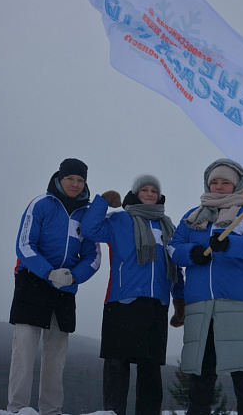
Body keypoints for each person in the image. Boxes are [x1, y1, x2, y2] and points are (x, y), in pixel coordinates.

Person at [167, 158, 243, 415]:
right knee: (201, 373)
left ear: (236, 185)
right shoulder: (192, 216)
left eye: (225, 182)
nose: (219, 186)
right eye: (215, 182)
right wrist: (192, 253)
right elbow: (172, 248)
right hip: (200, 305)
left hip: (239, 303)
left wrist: (229, 245)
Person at [81, 174, 185, 415]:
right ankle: (112, 412)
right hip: (123, 301)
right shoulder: (120, 220)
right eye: (144, 190)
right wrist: (103, 201)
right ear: (136, 194)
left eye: (153, 191)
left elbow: (176, 267)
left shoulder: (168, 226)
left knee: (151, 369)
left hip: (157, 303)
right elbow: (89, 228)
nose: (150, 193)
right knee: (117, 364)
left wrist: (179, 300)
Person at [7, 158, 101, 415]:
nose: (75, 184)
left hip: (65, 290)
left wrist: (72, 277)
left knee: (56, 355)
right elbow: (24, 245)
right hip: (33, 283)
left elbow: (94, 258)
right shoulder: (41, 204)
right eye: (70, 178)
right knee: (24, 350)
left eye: (80, 180)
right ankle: (17, 409)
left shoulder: (87, 214)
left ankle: (51, 410)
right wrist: (49, 272)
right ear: (60, 178)